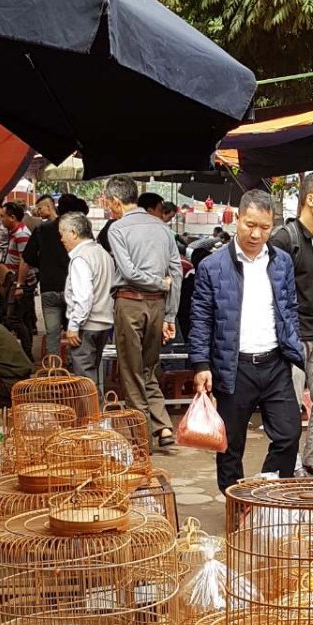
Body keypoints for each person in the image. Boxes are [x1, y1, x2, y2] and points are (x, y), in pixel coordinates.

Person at [189, 189, 304, 491]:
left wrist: (292, 342)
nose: (256, 234)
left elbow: (289, 307)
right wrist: (201, 364)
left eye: (264, 227)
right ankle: (236, 505)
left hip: (275, 362)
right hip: (233, 367)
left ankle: (266, 494)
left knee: (289, 434)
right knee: (230, 445)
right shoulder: (212, 266)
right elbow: (200, 318)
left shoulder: (282, 262)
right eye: (250, 224)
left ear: (272, 225)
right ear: (237, 219)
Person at [104, 175, 181, 449]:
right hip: (157, 305)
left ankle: (141, 437)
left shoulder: (117, 229)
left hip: (130, 303)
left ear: (116, 201)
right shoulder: (162, 227)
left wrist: (159, 284)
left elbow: (129, 272)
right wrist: (170, 314)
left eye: (108, 202)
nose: (108, 207)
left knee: (131, 371)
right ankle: (163, 427)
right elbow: (176, 272)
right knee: (148, 368)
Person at [273, 172, 313, 476]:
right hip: (293, 334)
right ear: (310, 199)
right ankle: (291, 460)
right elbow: (274, 290)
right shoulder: (284, 239)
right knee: (291, 402)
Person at [19, 192, 83, 361]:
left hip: (49, 289)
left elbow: (27, 259)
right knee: (73, 332)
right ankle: (74, 369)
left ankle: (54, 370)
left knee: (52, 335)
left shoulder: (42, 230)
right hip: (72, 289)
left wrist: (21, 283)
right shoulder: (77, 230)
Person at [59, 210, 115, 383]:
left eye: (62, 234)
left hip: (87, 325)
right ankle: (96, 401)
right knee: (92, 374)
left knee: (85, 381)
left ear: (73, 233)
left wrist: (74, 325)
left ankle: (93, 402)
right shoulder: (102, 253)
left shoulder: (81, 258)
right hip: (103, 323)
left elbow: (83, 297)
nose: (61, 239)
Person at [2, 201, 36, 354]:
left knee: (14, 318)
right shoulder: (15, 232)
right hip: (17, 280)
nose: (2, 220)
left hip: (21, 282)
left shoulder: (21, 234)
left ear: (12, 217)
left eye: (3, 216)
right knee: (22, 318)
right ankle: (26, 351)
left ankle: (26, 351)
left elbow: (25, 261)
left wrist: (19, 285)